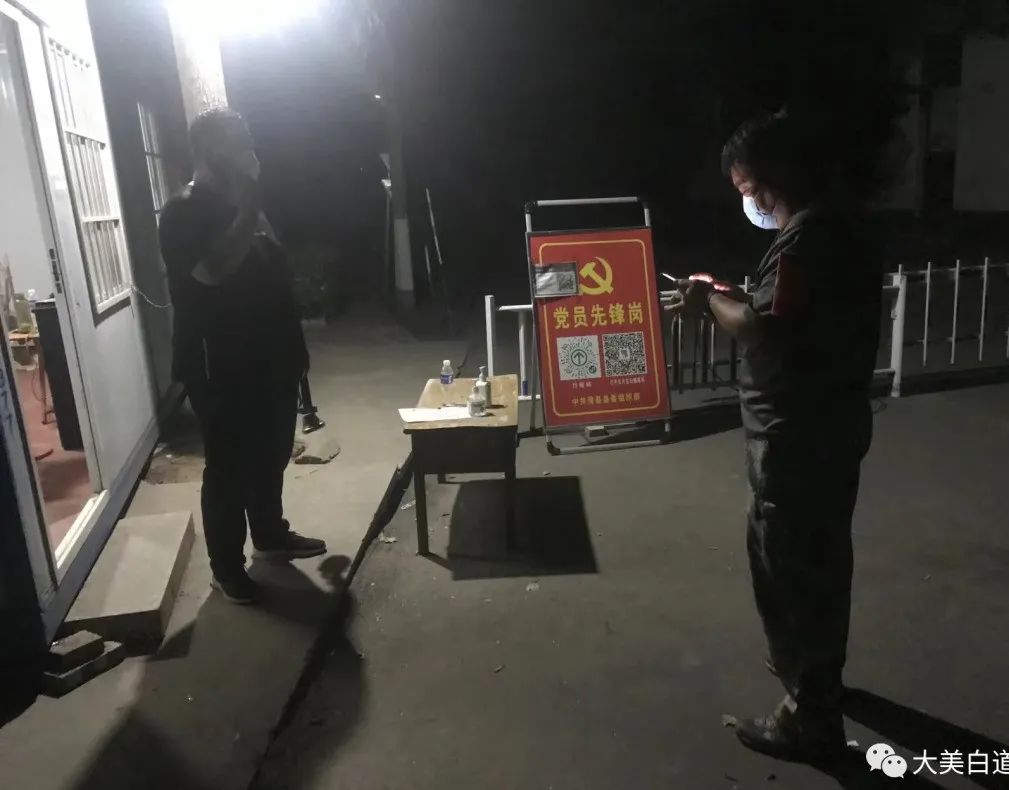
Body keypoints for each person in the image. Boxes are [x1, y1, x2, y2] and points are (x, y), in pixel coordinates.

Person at [668, 110, 882, 761]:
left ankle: (809, 714)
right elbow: (784, 306)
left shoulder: (809, 237)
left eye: (745, 187)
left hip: (794, 435)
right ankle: (814, 674)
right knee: (820, 559)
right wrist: (732, 293)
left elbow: (766, 326)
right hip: (829, 425)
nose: (747, 201)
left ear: (772, 178)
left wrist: (708, 302)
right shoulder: (841, 228)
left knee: (792, 568)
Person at [159, 107, 326, 604]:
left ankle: (270, 535)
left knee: (272, 450)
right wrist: (250, 200)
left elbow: (272, 265)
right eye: (240, 140)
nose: (251, 149)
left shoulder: (239, 204)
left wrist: (294, 349)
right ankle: (227, 570)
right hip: (220, 362)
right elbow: (213, 271)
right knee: (229, 466)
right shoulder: (183, 211)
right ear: (212, 150)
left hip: (271, 355)